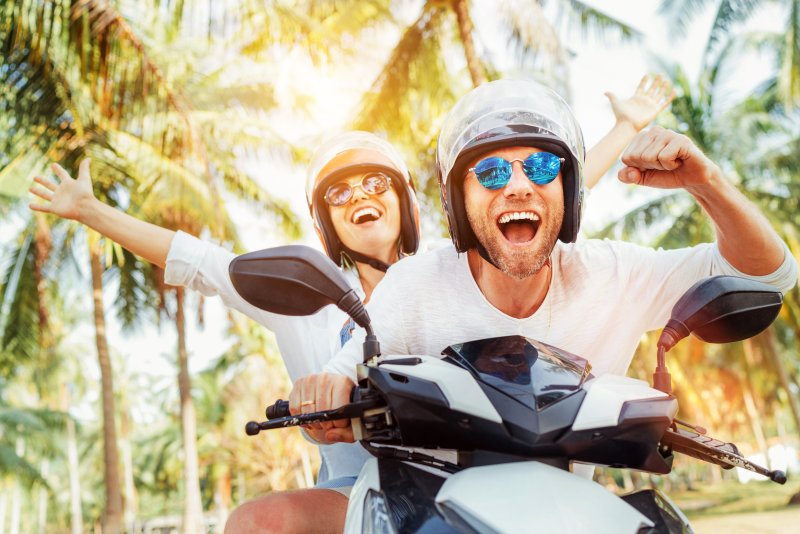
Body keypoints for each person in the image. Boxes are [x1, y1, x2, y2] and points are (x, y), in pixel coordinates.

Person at [28, 76, 675, 533]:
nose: (361, 197)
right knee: (257, 522)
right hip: (362, 497)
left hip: (479, 480)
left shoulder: (454, 276)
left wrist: (624, 128)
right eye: (339, 193)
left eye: (377, 183)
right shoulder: (301, 297)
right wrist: (89, 211)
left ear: (411, 204)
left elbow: (544, 192)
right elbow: (197, 262)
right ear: (325, 224)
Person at [287, 78, 797, 491]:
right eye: (488, 172)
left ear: (567, 190)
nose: (516, 185)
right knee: (261, 521)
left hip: (564, 511)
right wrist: (324, 391)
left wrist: (706, 182)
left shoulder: (611, 275)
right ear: (457, 205)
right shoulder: (412, 285)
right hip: (426, 512)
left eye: (542, 165)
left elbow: (769, 275)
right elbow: (345, 369)